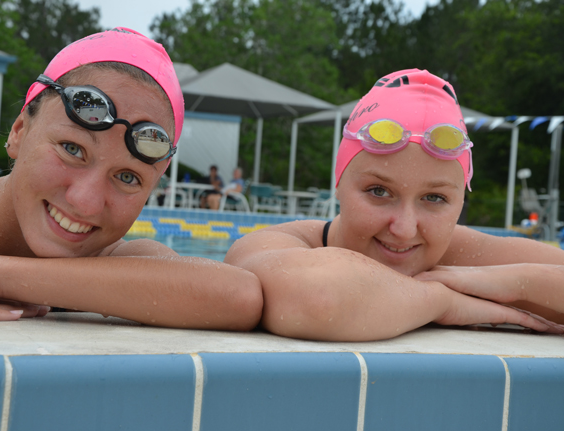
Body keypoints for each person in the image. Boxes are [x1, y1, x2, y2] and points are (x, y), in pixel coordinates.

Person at [0, 27, 262, 329]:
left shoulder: (113, 264)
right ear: (19, 131)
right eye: (72, 148)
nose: (86, 200)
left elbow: (237, 295)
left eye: (127, 177)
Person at [225, 69, 564, 341]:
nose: (404, 229)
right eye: (378, 191)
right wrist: (442, 301)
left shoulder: (464, 255)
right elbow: (320, 300)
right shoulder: (276, 244)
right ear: (338, 182)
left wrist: (520, 282)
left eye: (434, 198)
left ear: (461, 201)